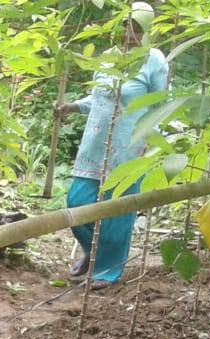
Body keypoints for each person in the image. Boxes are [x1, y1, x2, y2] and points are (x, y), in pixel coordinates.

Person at [54, 2, 168, 289]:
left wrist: (149, 143)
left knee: (118, 212)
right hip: (95, 145)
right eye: (125, 24)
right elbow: (99, 99)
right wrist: (71, 107)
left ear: (146, 29)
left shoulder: (154, 60)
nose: (129, 32)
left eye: (137, 27)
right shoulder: (107, 58)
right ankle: (93, 252)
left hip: (129, 147)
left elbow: (159, 105)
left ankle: (106, 271)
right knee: (77, 204)